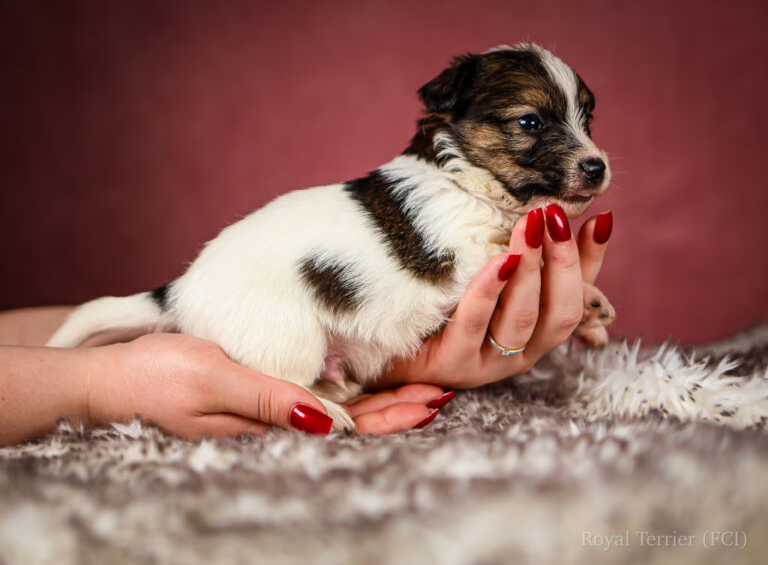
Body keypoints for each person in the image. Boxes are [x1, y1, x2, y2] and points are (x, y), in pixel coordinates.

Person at [0, 209, 611, 445]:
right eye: (531, 125)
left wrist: (82, 366)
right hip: (260, 301)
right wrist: (93, 386)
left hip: (246, 296)